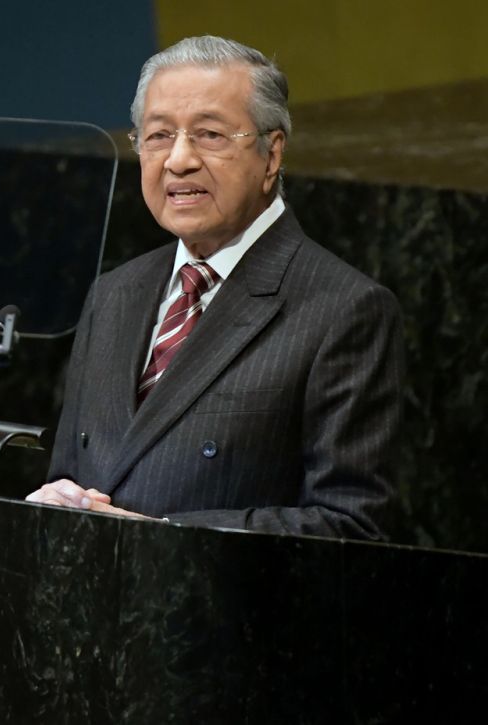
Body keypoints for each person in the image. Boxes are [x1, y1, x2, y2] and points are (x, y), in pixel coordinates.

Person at [25, 35, 404, 540]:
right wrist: (53, 502)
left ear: (272, 155)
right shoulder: (114, 293)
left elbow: (350, 525)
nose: (179, 160)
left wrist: (164, 536)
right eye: (158, 136)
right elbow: (75, 472)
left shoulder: (345, 310)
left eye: (209, 135)